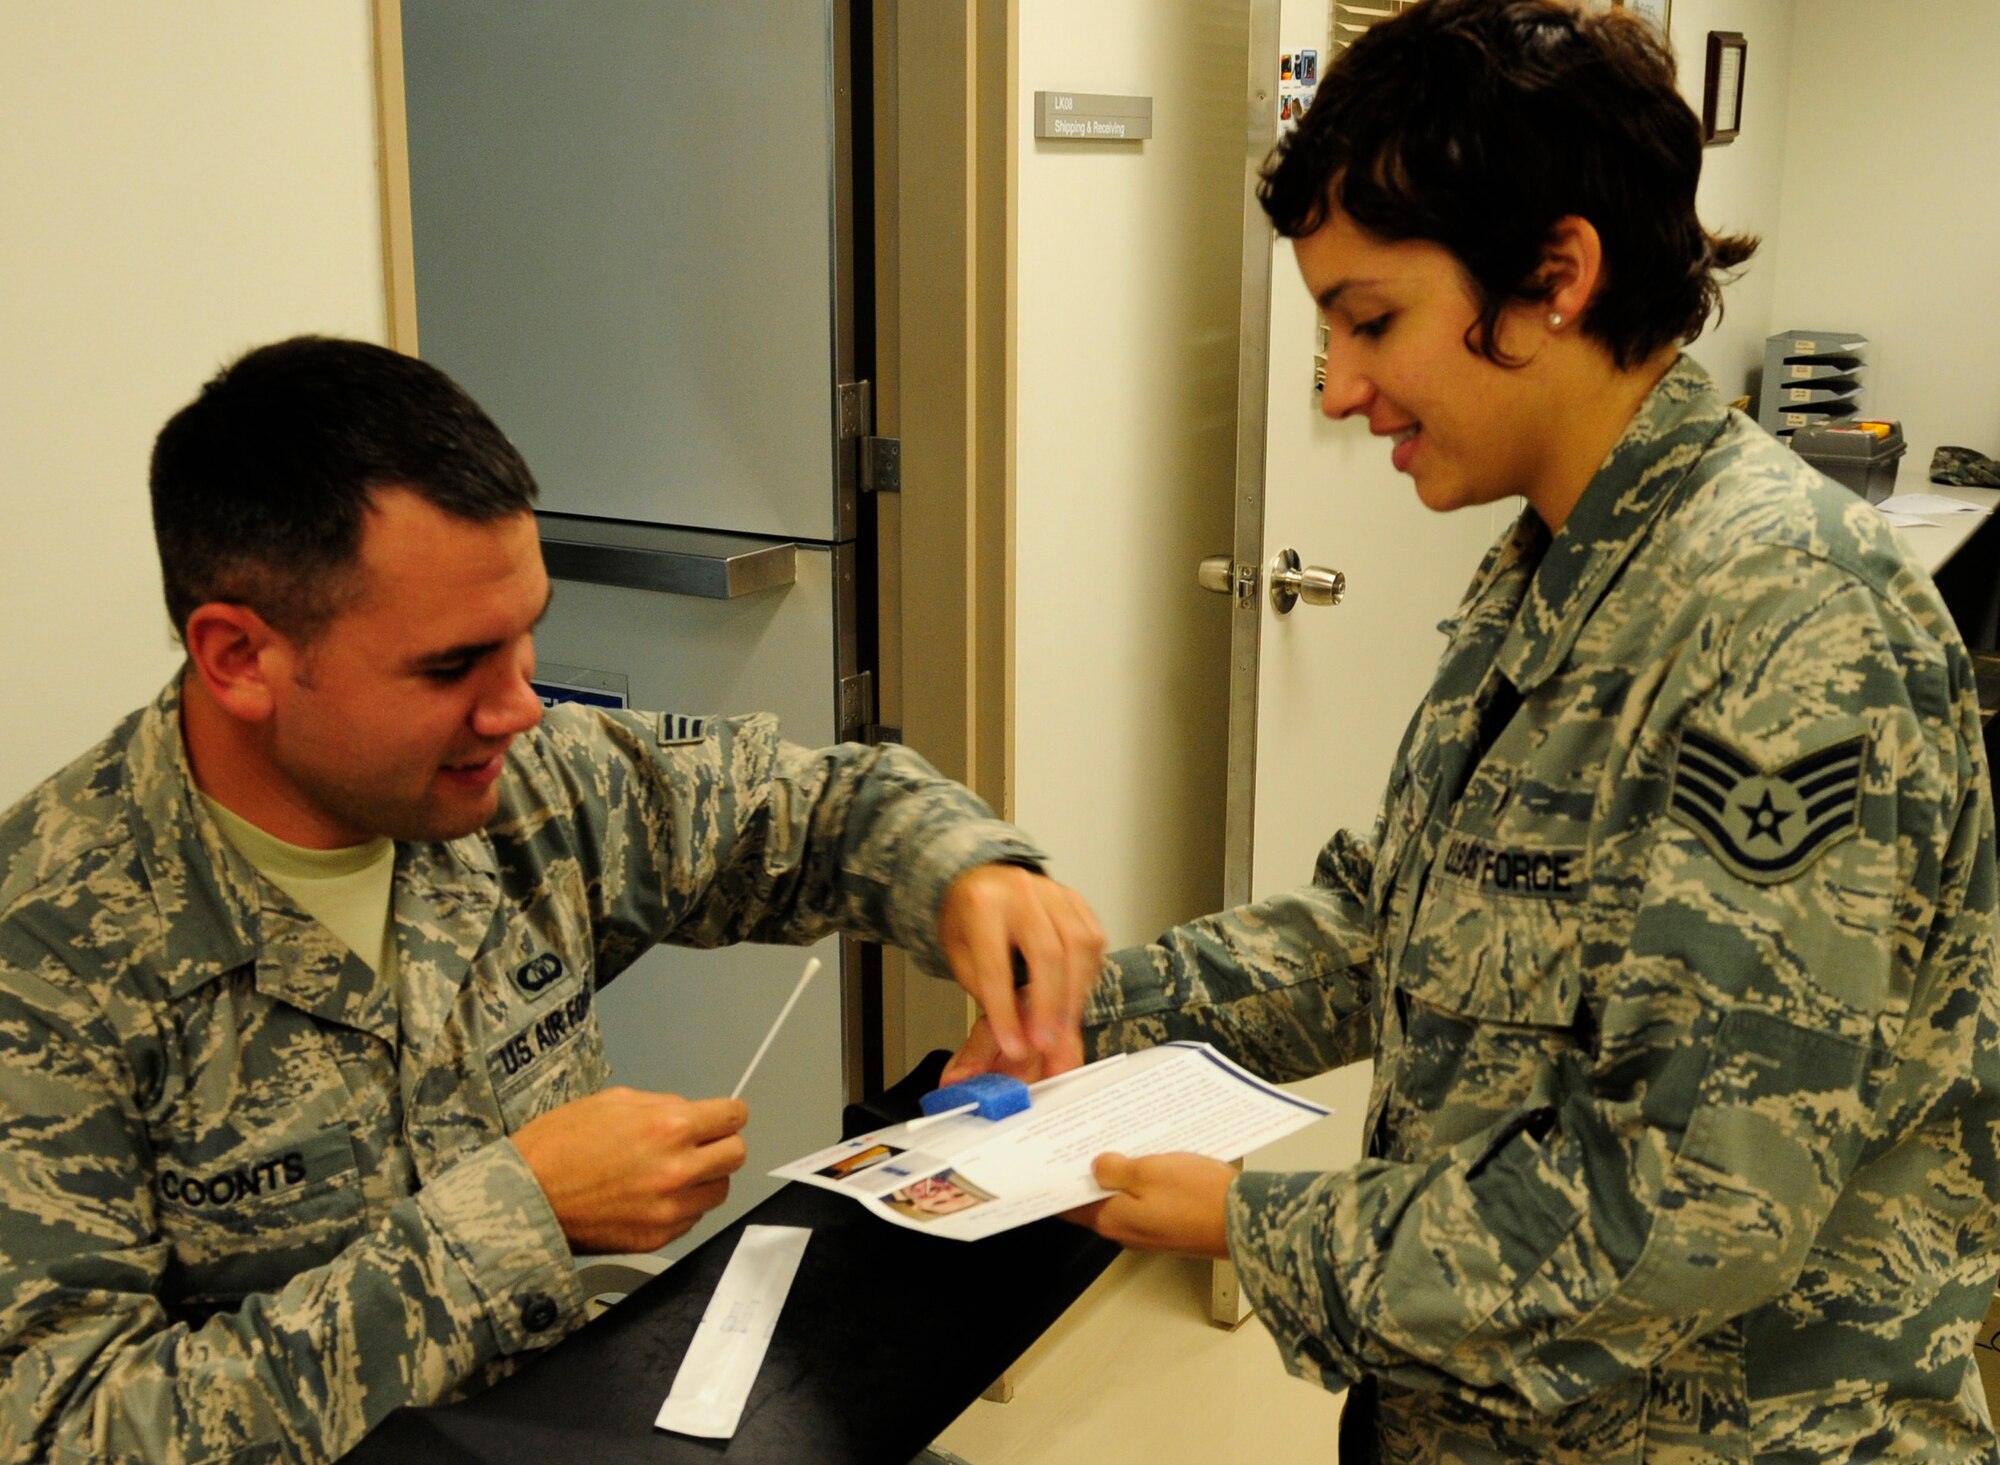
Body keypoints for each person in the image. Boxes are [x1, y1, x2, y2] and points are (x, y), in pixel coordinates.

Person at [954, 1, 2000, 1458]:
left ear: (1555, 276)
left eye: (1369, 320)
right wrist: (1094, 1012)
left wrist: (1250, 1225)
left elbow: (1699, 1205)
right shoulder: (1555, 566)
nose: (1339, 390)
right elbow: (1397, 926)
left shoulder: (1783, 619)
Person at [0, 336, 1103, 1463]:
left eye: (529, 632)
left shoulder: (527, 786)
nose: (520, 705)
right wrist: (515, 1220)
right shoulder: (42, 953)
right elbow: (60, 1428)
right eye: (452, 665)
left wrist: (966, 873)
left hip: (577, 1411)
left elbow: (819, 808)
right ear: (238, 655)